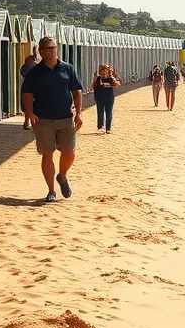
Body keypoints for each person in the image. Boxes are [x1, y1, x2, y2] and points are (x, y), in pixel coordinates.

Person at [21, 36, 83, 203]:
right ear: (40, 51)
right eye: (44, 49)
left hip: (65, 117)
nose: (48, 52)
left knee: (69, 152)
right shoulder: (34, 72)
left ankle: (62, 176)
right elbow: (27, 94)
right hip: (43, 119)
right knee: (47, 154)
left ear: (56, 49)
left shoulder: (67, 69)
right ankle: (51, 191)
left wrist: (79, 113)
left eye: (50, 48)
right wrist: (30, 113)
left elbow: (76, 91)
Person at [91, 63, 121, 134]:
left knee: (108, 112)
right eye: (101, 70)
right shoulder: (98, 79)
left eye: (105, 70)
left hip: (109, 98)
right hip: (99, 98)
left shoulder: (110, 79)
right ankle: (100, 126)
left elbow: (118, 84)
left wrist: (112, 77)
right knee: (100, 112)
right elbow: (92, 88)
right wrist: (95, 80)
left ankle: (108, 128)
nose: (103, 72)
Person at [19, 54, 37, 129]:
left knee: (34, 107)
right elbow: (24, 74)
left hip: (35, 89)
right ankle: (27, 123)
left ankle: (29, 123)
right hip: (27, 89)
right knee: (28, 107)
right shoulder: (24, 68)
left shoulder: (36, 67)